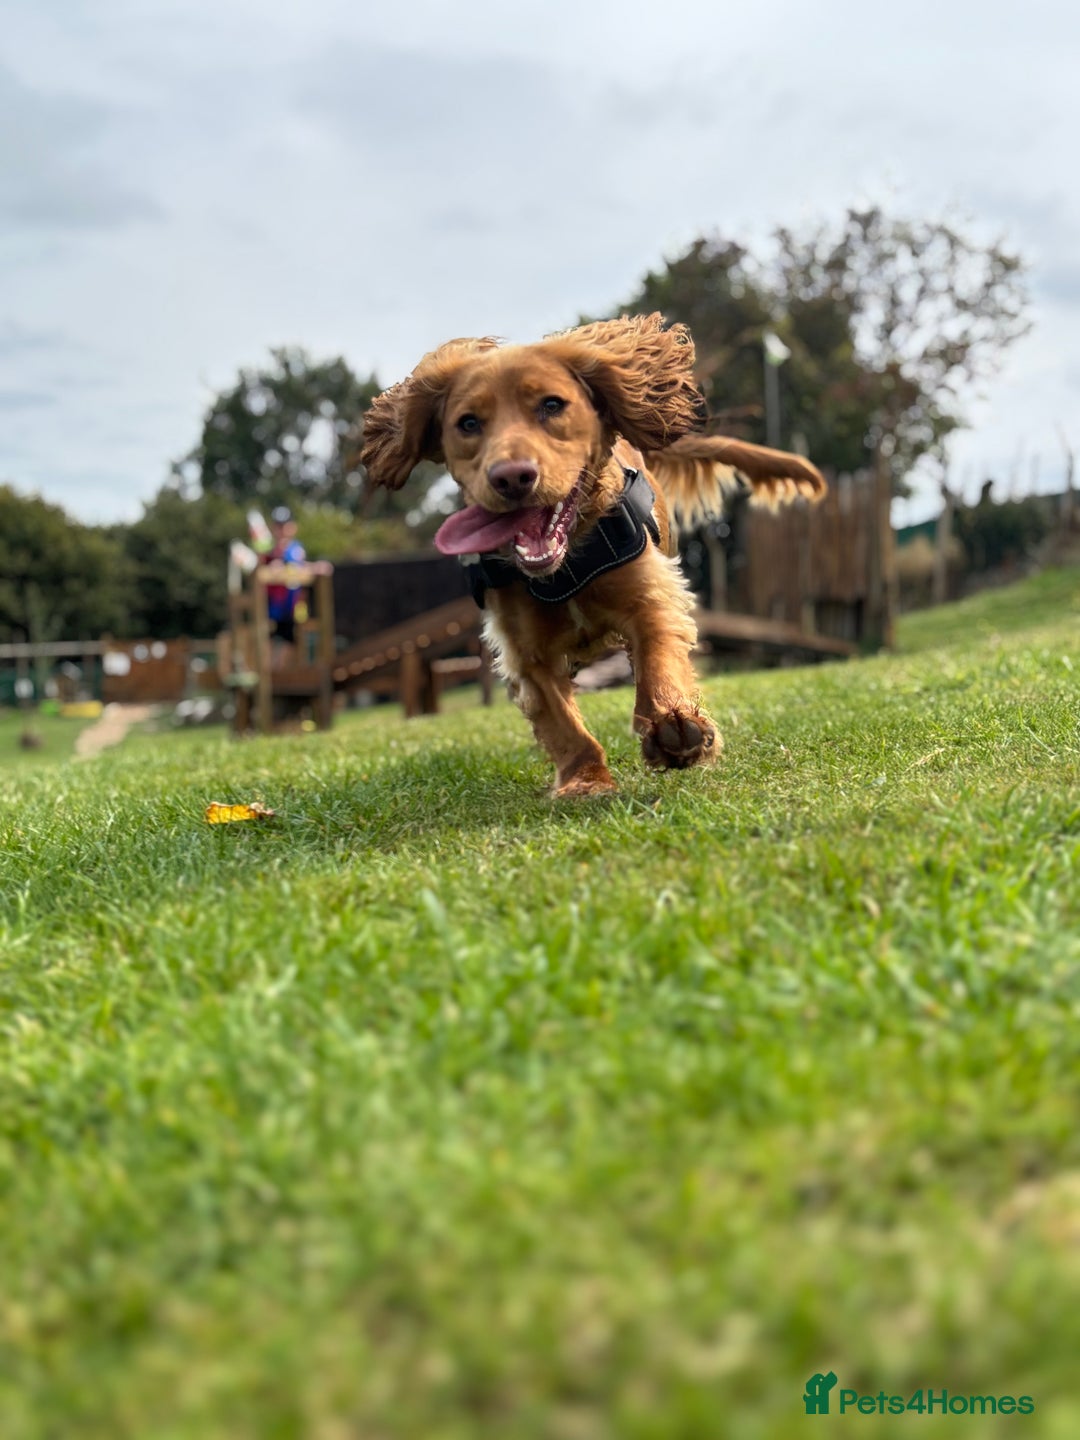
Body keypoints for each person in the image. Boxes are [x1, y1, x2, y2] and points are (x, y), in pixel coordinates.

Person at [263, 507, 307, 663]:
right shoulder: (267, 549)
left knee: (289, 639)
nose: (281, 530)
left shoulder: (296, 549)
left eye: (284, 525)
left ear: (292, 527)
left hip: (290, 605)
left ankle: (278, 673)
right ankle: (270, 673)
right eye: (278, 526)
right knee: (268, 638)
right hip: (272, 607)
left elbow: (297, 564)